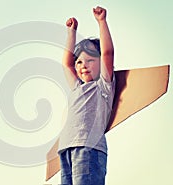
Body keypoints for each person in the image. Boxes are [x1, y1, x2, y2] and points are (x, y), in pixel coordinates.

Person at [58, 6, 115, 185]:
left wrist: (101, 22)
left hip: (89, 148)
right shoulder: (76, 88)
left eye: (91, 60)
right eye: (80, 62)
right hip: (67, 149)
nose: (84, 65)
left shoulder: (102, 86)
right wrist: (71, 33)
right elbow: (67, 64)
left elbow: (108, 53)